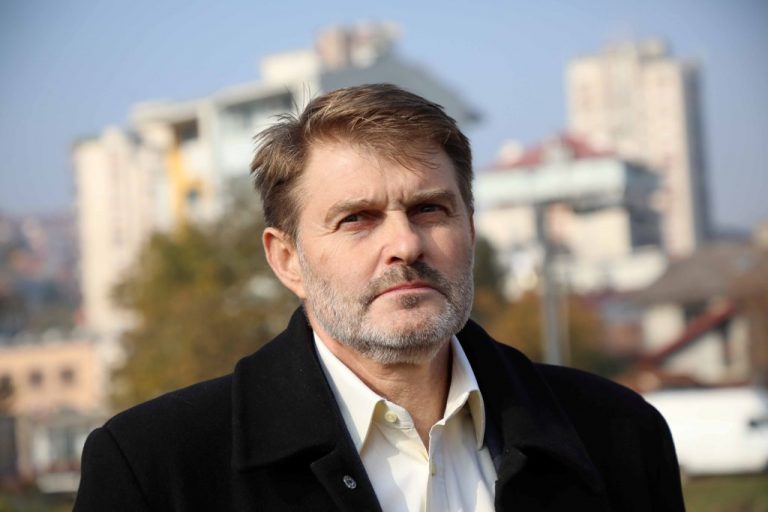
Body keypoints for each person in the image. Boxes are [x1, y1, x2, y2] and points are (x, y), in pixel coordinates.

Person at [74, 84, 685, 511]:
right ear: (287, 259)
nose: (405, 244)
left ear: (471, 230)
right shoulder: (155, 468)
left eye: (430, 209)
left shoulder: (616, 436)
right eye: (357, 219)